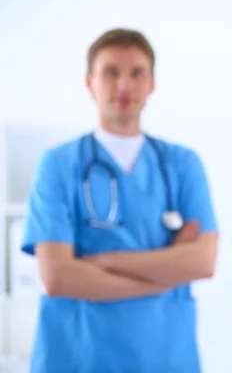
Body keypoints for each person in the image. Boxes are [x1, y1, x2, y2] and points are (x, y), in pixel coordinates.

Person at [21, 28, 219, 373]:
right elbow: (57, 276)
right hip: (78, 355)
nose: (124, 85)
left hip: (164, 355)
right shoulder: (58, 164)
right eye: (111, 72)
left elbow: (202, 261)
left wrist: (102, 260)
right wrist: (168, 269)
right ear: (89, 81)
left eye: (136, 73)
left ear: (152, 83)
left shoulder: (182, 164)